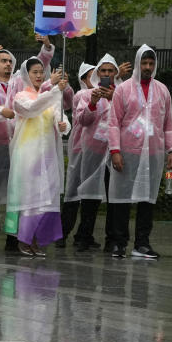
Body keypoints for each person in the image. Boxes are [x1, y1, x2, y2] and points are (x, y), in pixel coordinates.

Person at [105, 44, 172, 259]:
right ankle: (119, 243)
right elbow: (113, 122)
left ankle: (142, 243)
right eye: (144, 63)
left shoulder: (163, 90)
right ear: (137, 64)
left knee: (147, 198)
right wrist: (115, 150)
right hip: (128, 152)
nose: (147, 67)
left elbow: (168, 122)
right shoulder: (123, 89)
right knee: (121, 197)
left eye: (151, 63)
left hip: (153, 153)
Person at [6, 58, 69, 256]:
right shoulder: (21, 97)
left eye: (41, 72)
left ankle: (38, 239)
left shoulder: (51, 97)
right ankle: (24, 238)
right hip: (27, 156)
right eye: (34, 72)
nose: (39, 76)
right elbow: (32, 109)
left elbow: (62, 118)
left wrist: (63, 125)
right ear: (26, 74)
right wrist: (54, 90)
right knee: (29, 197)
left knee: (44, 197)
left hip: (47, 157)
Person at [75, 54, 131, 252]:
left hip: (116, 152)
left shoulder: (123, 93)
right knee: (90, 196)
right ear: (97, 73)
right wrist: (92, 102)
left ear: (116, 73)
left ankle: (113, 240)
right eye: (103, 71)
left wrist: (113, 97)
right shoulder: (87, 94)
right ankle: (84, 236)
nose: (106, 74)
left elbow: (130, 117)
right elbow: (82, 121)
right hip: (94, 151)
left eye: (110, 71)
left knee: (114, 196)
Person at [59, 61, 95, 247]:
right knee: (73, 193)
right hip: (80, 148)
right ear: (82, 80)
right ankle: (63, 233)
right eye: (91, 76)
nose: (96, 79)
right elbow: (70, 97)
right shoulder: (82, 95)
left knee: (91, 194)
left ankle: (85, 235)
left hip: (96, 150)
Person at [0, 46, 19, 251]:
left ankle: (12, 237)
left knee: (15, 193)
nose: (7, 64)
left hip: (17, 147)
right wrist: (2, 110)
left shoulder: (18, 84)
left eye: (10, 61)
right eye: (3, 61)